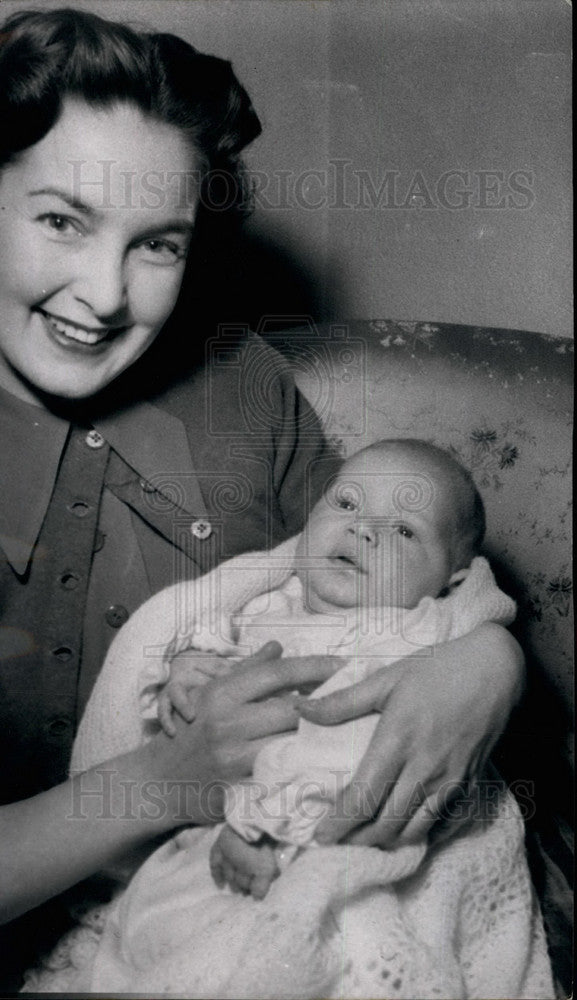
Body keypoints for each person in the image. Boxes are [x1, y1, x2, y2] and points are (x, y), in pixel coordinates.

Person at [0, 7, 523, 991]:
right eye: (61, 220)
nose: (105, 294)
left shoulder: (242, 383)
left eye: (157, 243)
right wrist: (167, 776)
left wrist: (488, 660)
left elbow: (394, 559)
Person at [52, 439, 552, 997]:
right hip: (218, 833)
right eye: (346, 504)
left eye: (405, 531)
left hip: (339, 830)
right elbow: (187, 667)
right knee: (168, 929)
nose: (363, 530)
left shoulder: (418, 636)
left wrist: (269, 825)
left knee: (335, 948)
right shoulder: (259, 607)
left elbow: (367, 747)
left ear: (453, 583)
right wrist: (185, 675)